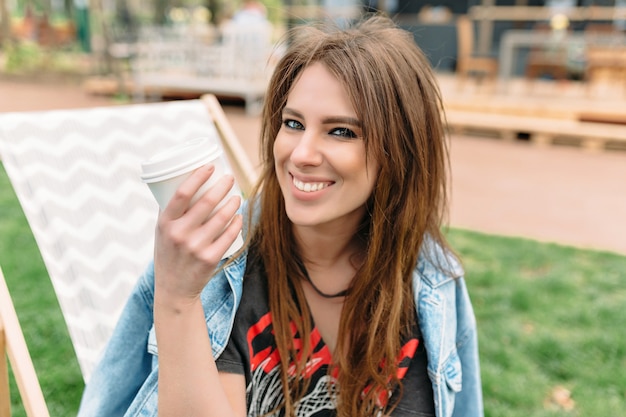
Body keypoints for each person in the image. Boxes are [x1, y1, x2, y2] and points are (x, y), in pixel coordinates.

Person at [78, 14, 483, 417]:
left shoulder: (431, 280)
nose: (301, 154)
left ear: (402, 151)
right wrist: (176, 300)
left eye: (340, 131)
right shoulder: (220, 270)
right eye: (293, 123)